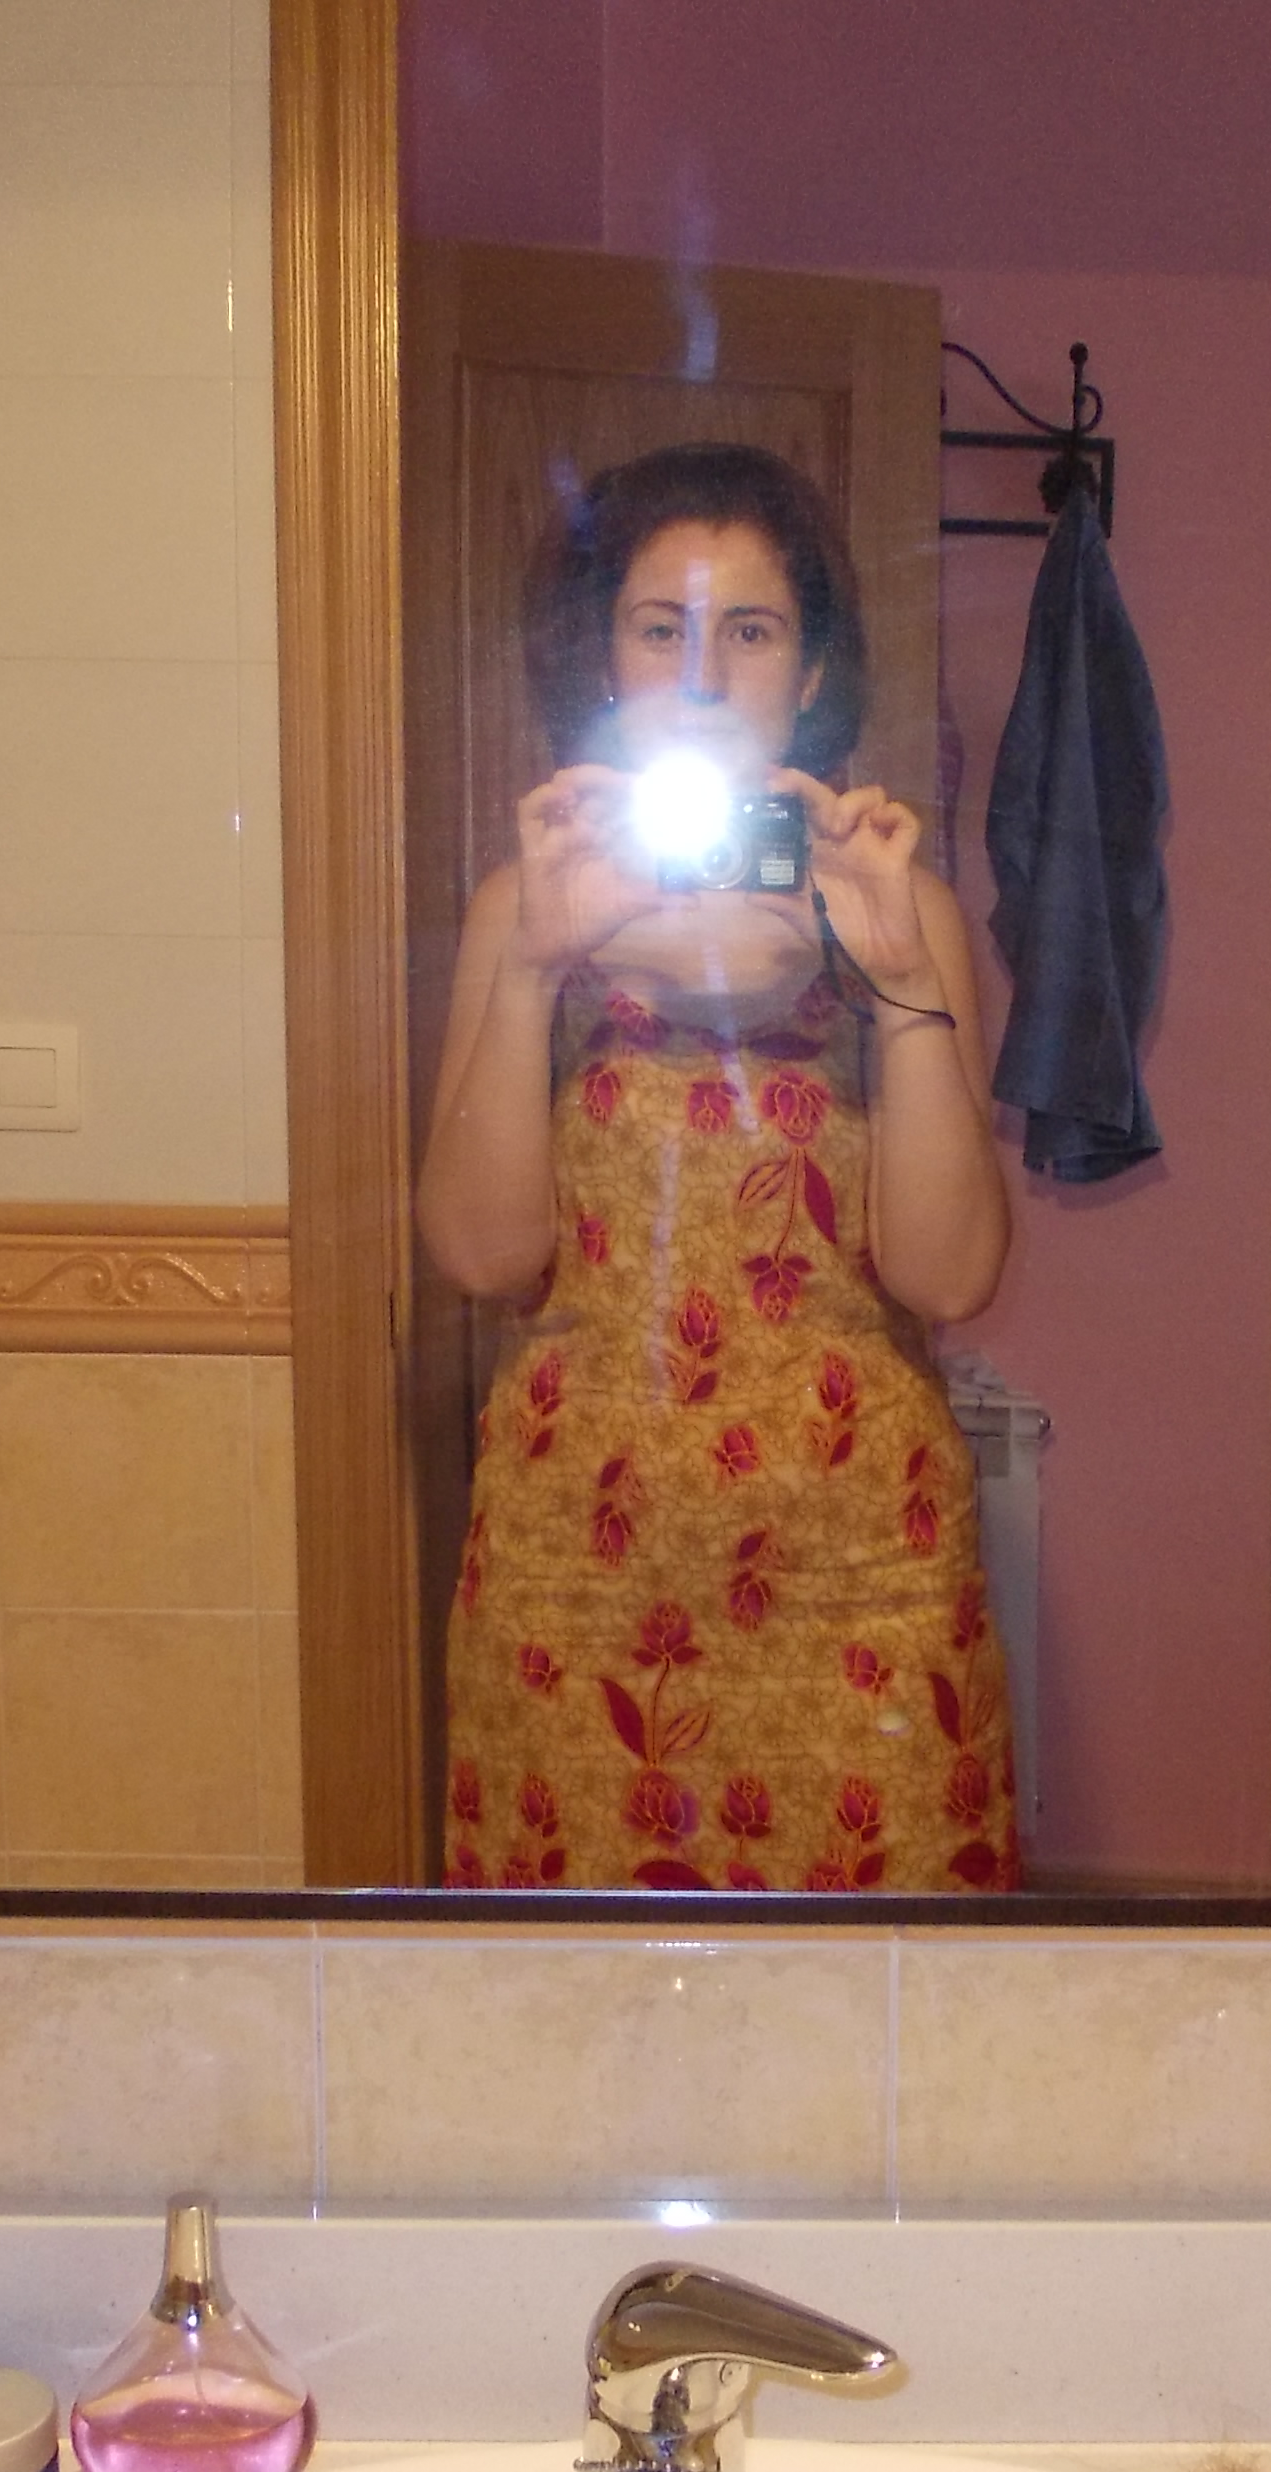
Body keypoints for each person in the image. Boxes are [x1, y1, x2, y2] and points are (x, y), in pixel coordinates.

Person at [416, 442, 1022, 1894]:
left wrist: (899, 984)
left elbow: (948, 1275)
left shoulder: (898, 909)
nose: (700, 675)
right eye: (659, 628)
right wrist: (532, 971)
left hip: (859, 1574)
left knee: (875, 2006)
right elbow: (484, 1256)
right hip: (576, 1580)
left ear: (809, 675)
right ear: (605, 663)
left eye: (748, 631)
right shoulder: (521, 909)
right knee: (583, 2000)